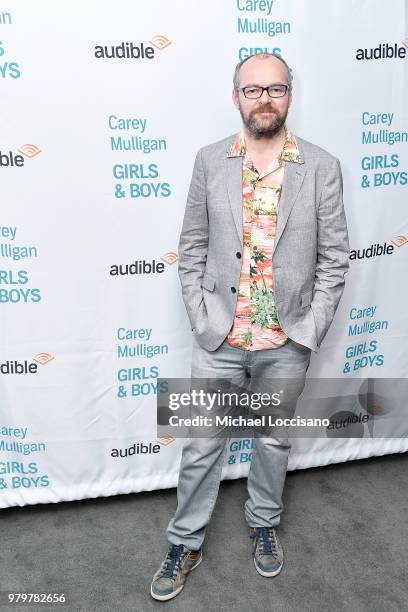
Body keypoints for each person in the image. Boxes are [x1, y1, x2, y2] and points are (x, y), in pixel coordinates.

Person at [150, 52, 349, 601]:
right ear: (235, 95)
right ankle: (184, 541)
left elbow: (335, 258)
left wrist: (308, 330)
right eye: (253, 89)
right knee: (200, 447)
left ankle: (264, 525)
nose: (265, 98)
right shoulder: (210, 160)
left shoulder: (322, 166)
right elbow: (191, 245)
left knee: (273, 440)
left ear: (290, 95)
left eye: (276, 89)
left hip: (285, 343)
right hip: (220, 338)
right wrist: (199, 313)